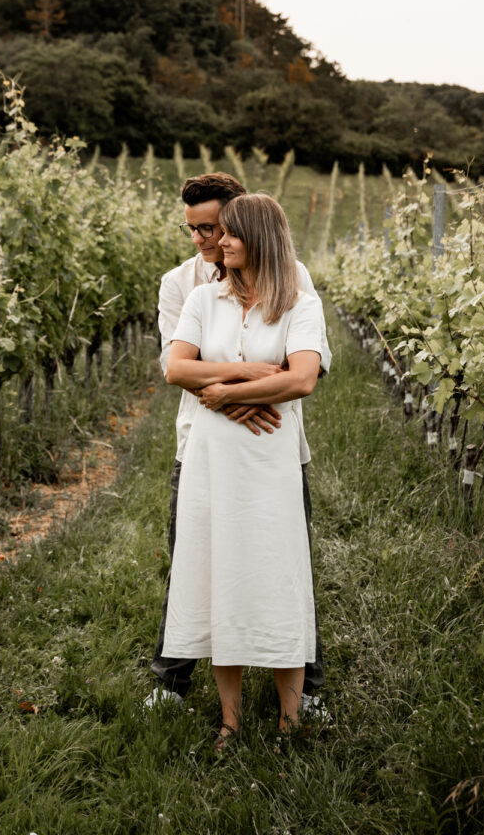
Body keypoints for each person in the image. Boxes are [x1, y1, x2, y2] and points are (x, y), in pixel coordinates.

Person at [147, 174, 330, 718]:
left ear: (241, 220)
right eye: (195, 229)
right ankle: (172, 681)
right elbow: (176, 365)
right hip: (202, 438)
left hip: (272, 439)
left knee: (282, 559)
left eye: (214, 227)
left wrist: (239, 389)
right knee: (198, 556)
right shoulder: (182, 284)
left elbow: (309, 362)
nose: (206, 239)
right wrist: (237, 383)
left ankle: (305, 692)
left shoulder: (293, 278)